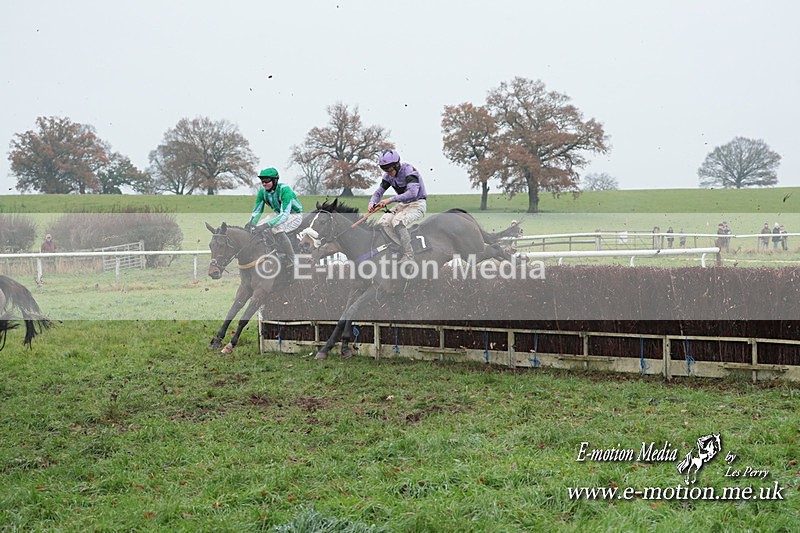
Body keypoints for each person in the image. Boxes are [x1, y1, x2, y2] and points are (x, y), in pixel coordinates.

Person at [368, 150, 427, 261]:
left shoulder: (409, 170)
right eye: (384, 169)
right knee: (383, 222)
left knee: (397, 222)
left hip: (418, 203)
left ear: (397, 165)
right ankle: (399, 247)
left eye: (389, 169)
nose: (387, 172)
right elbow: (378, 192)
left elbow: (412, 193)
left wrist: (390, 200)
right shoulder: (387, 176)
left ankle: (409, 255)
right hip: (403, 204)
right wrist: (372, 203)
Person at [246, 167, 303, 264]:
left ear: (275, 180)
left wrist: (268, 225)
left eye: (267, 180)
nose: (264, 184)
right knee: (256, 228)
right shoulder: (262, 192)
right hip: (278, 215)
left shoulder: (285, 190)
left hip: (294, 215)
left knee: (276, 227)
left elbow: (284, 214)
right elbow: (257, 211)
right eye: (262, 181)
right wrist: (251, 223)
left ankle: (292, 260)